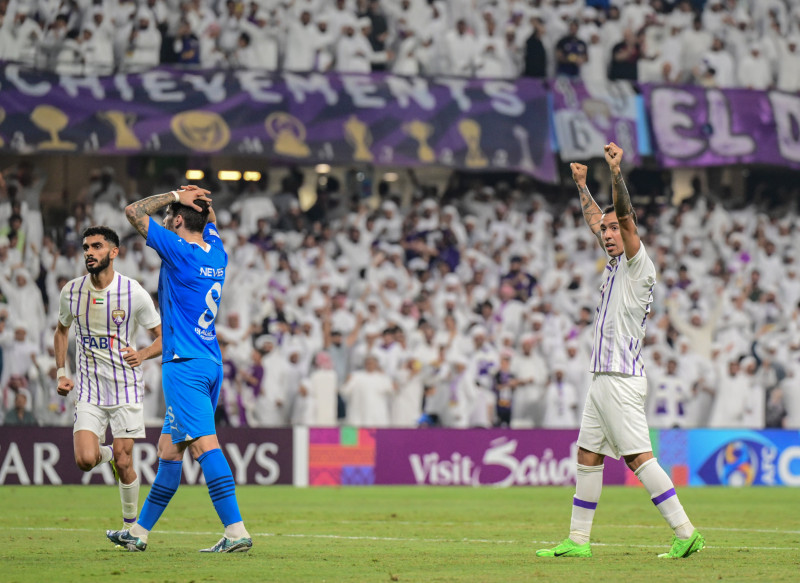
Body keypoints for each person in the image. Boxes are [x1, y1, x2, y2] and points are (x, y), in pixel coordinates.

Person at [536, 144, 705, 559]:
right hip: (602, 378)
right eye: (605, 231)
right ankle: (578, 541)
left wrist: (614, 172)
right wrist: (581, 187)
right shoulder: (614, 266)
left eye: (614, 230)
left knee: (636, 458)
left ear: (629, 235)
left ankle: (685, 533)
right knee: (588, 454)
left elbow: (623, 216)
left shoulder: (637, 265)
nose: (607, 233)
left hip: (620, 378)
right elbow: (599, 219)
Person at [106, 186, 252, 553]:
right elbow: (210, 223)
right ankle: (138, 532)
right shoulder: (217, 252)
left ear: (178, 220)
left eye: (172, 216)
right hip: (209, 361)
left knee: (206, 446)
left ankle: (236, 530)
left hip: (183, 365)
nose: (167, 221)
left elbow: (133, 211)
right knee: (169, 451)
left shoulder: (179, 250)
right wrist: (201, 203)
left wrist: (175, 193)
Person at [54, 226, 162, 532]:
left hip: (125, 387)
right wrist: (62, 372)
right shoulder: (72, 291)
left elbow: (162, 336)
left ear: (113, 252)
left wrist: (141, 355)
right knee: (85, 460)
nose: (89, 252)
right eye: (86, 247)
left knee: (125, 461)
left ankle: (130, 528)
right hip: (88, 388)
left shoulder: (133, 292)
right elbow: (61, 331)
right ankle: (108, 454)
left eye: (97, 246)